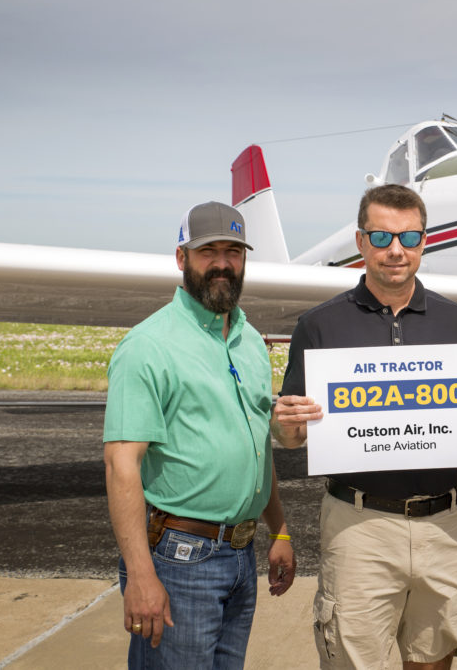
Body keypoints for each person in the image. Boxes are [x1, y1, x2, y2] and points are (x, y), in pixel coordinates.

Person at [271, 184, 457, 670]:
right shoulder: (319, 326)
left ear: (425, 242)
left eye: (409, 237)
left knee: (433, 662)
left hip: (447, 525)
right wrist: (286, 426)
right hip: (359, 527)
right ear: (361, 242)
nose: (395, 250)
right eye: (382, 237)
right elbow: (291, 437)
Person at [104, 202, 295, 669]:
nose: (223, 263)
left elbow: (254, 448)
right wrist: (142, 577)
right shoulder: (149, 345)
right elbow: (120, 465)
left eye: (233, 251)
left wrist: (281, 530)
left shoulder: (249, 341)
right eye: (208, 251)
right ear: (181, 258)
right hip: (178, 560)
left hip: (241, 557)